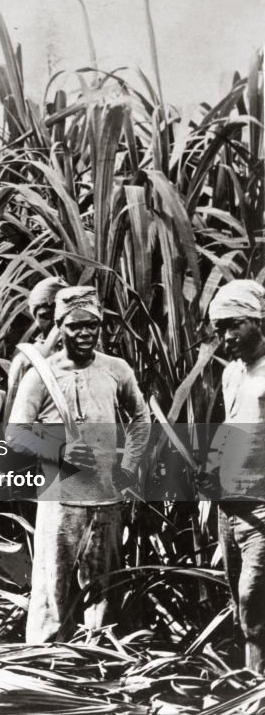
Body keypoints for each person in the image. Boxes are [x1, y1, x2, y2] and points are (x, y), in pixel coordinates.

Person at [6, 286, 150, 643]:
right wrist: (58, 451)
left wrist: (128, 468)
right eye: (75, 326)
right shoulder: (42, 374)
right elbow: (15, 432)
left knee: (102, 591)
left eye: (92, 325)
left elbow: (141, 419)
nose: (85, 333)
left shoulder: (116, 369)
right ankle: (44, 669)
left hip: (106, 500)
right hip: (60, 500)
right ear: (60, 326)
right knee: (52, 590)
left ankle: (98, 662)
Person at [202, 279, 265, 672]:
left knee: (253, 599)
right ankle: (250, 690)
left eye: (233, 325)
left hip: (260, 508)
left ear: (259, 319)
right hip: (230, 509)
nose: (226, 338)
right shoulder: (233, 375)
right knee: (242, 608)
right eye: (219, 329)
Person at [3, 276, 67, 421]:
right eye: (45, 316)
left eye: (61, 316)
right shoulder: (26, 359)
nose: (54, 324)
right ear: (35, 317)